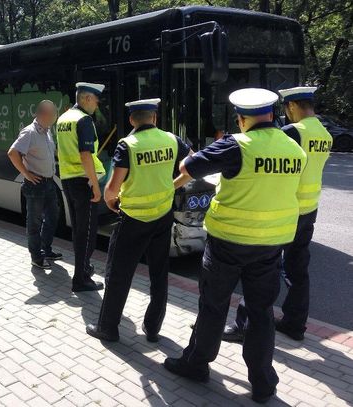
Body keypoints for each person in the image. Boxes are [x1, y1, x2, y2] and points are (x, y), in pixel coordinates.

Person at [163, 88, 307, 404]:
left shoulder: (236, 145)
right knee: (261, 313)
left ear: (241, 119)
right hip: (271, 245)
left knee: (213, 305)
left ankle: (197, 363)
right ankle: (263, 383)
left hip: (228, 243)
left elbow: (190, 167)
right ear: (272, 114)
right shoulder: (294, 148)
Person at [223, 86, 333, 343]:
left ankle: (244, 325)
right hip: (309, 209)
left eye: (286, 108)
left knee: (261, 269)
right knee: (298, 269)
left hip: (285, 211)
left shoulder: (293, 132)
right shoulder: (325, 134)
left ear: (292, 107)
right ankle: (295, 324)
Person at [85, 99, 192, 342]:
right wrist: (171, 188)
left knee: (118, 273)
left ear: (132, 120)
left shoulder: (128, 145)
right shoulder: (172, 139)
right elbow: (192, 167)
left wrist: (111, 202)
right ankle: (153, 328)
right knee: (159, 272)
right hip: (163, 217)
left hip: (133, 219)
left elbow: (112, 189)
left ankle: (108, 328)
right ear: (154, 118)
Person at [56, 82, 106, 292]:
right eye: (96, 99)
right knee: (87, 233)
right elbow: (85, 154)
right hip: (83, 181)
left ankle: (84, 267)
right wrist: (95, 186)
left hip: (67, 179)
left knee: (78, 229)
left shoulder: (63, 118)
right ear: (86, 98)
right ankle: (81, 279)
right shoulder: (83, 120)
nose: (97, 104)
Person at [8, 100, 62, 270]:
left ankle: (46, 250)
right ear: (41, 114)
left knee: (53, 217)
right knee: (34, 222)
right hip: (35, 184)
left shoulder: (47, 132)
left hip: (49, 182)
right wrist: (26, 174)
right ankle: (36, 257)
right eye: (52, 113)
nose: (55, 117)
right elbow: (12, 153)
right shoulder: (29, 132)